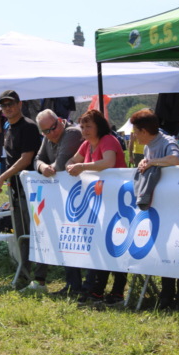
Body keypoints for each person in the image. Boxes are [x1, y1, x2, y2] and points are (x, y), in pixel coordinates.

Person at [66, 109, 127, 304]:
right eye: (82, 126)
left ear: (99, 127)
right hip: (98, 203)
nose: (84, 130)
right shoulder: (86, 144)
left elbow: (108, 162)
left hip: (117, 201)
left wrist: (81, 167)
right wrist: (69, 166)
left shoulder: (108, 140)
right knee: (100, 244)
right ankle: (97, 290)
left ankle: (117, 291)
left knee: (116, 245)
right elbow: (72, 160)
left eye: (88, 126)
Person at [130, 109, 179, 310]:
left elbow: (175, 160)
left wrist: (152, 162)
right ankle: (166, 295)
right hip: (161, 206)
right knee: (165, 248)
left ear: (144, 131)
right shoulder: (148, 145)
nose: (134, 136)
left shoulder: (167, 141)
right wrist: (145, 162)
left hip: (178, 206)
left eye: (136, 132)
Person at [0, 90, 44, 291]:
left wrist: (2, 177)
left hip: (31, 190)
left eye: (11, 104)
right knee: (21, 234)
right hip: (16, 189)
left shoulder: (28, 126)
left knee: (34, 233)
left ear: (20, 104)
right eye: (4, 105)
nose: (7, 108)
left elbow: (25, 159)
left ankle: (39, 278)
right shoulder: (8, 127)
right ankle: (24, 274)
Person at [33, 109, 83, 295]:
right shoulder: (48, 135)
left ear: (60, 121)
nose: (51, 133)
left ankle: (84, 285)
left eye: (53, 128)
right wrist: (42, 167)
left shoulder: (72, 133)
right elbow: (37, 160)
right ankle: (73, 284)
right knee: (67, 239)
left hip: (80, 195)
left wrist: (47, 168)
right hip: (64, 197)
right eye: (45, 131)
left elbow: (61, 165)